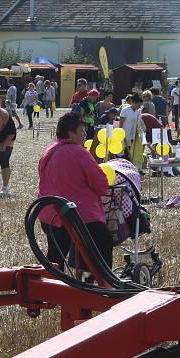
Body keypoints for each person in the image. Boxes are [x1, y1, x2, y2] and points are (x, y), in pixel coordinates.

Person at [37, 112, 112, 269]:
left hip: (50, 216)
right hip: (78, 217)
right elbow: (101, 185)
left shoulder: (48, 152)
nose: (85, 135)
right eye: (81, 131)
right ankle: (100, 284)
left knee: (55, 258)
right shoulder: (80, 153)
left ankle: (51, 284)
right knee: (103, 239)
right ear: (70, 133)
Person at [119, 94, 145, 169]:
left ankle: (129, 167)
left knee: (131, 152)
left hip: (132, 135)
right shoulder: (125, 110)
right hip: (124, 135)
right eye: (138, 105)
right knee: (125, 152)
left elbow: (136, 124)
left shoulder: (137, 112)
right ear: (133, 102)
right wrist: (121, 134)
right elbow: (121, 124)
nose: (139, 107)